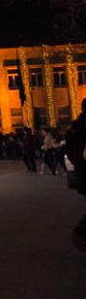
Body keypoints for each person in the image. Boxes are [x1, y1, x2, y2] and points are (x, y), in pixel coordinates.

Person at [64, 98, 86, 252]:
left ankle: (81, 232)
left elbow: (68, 150)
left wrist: (78, 164)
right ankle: (80, 230)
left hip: (82, 171)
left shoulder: (74, 126)